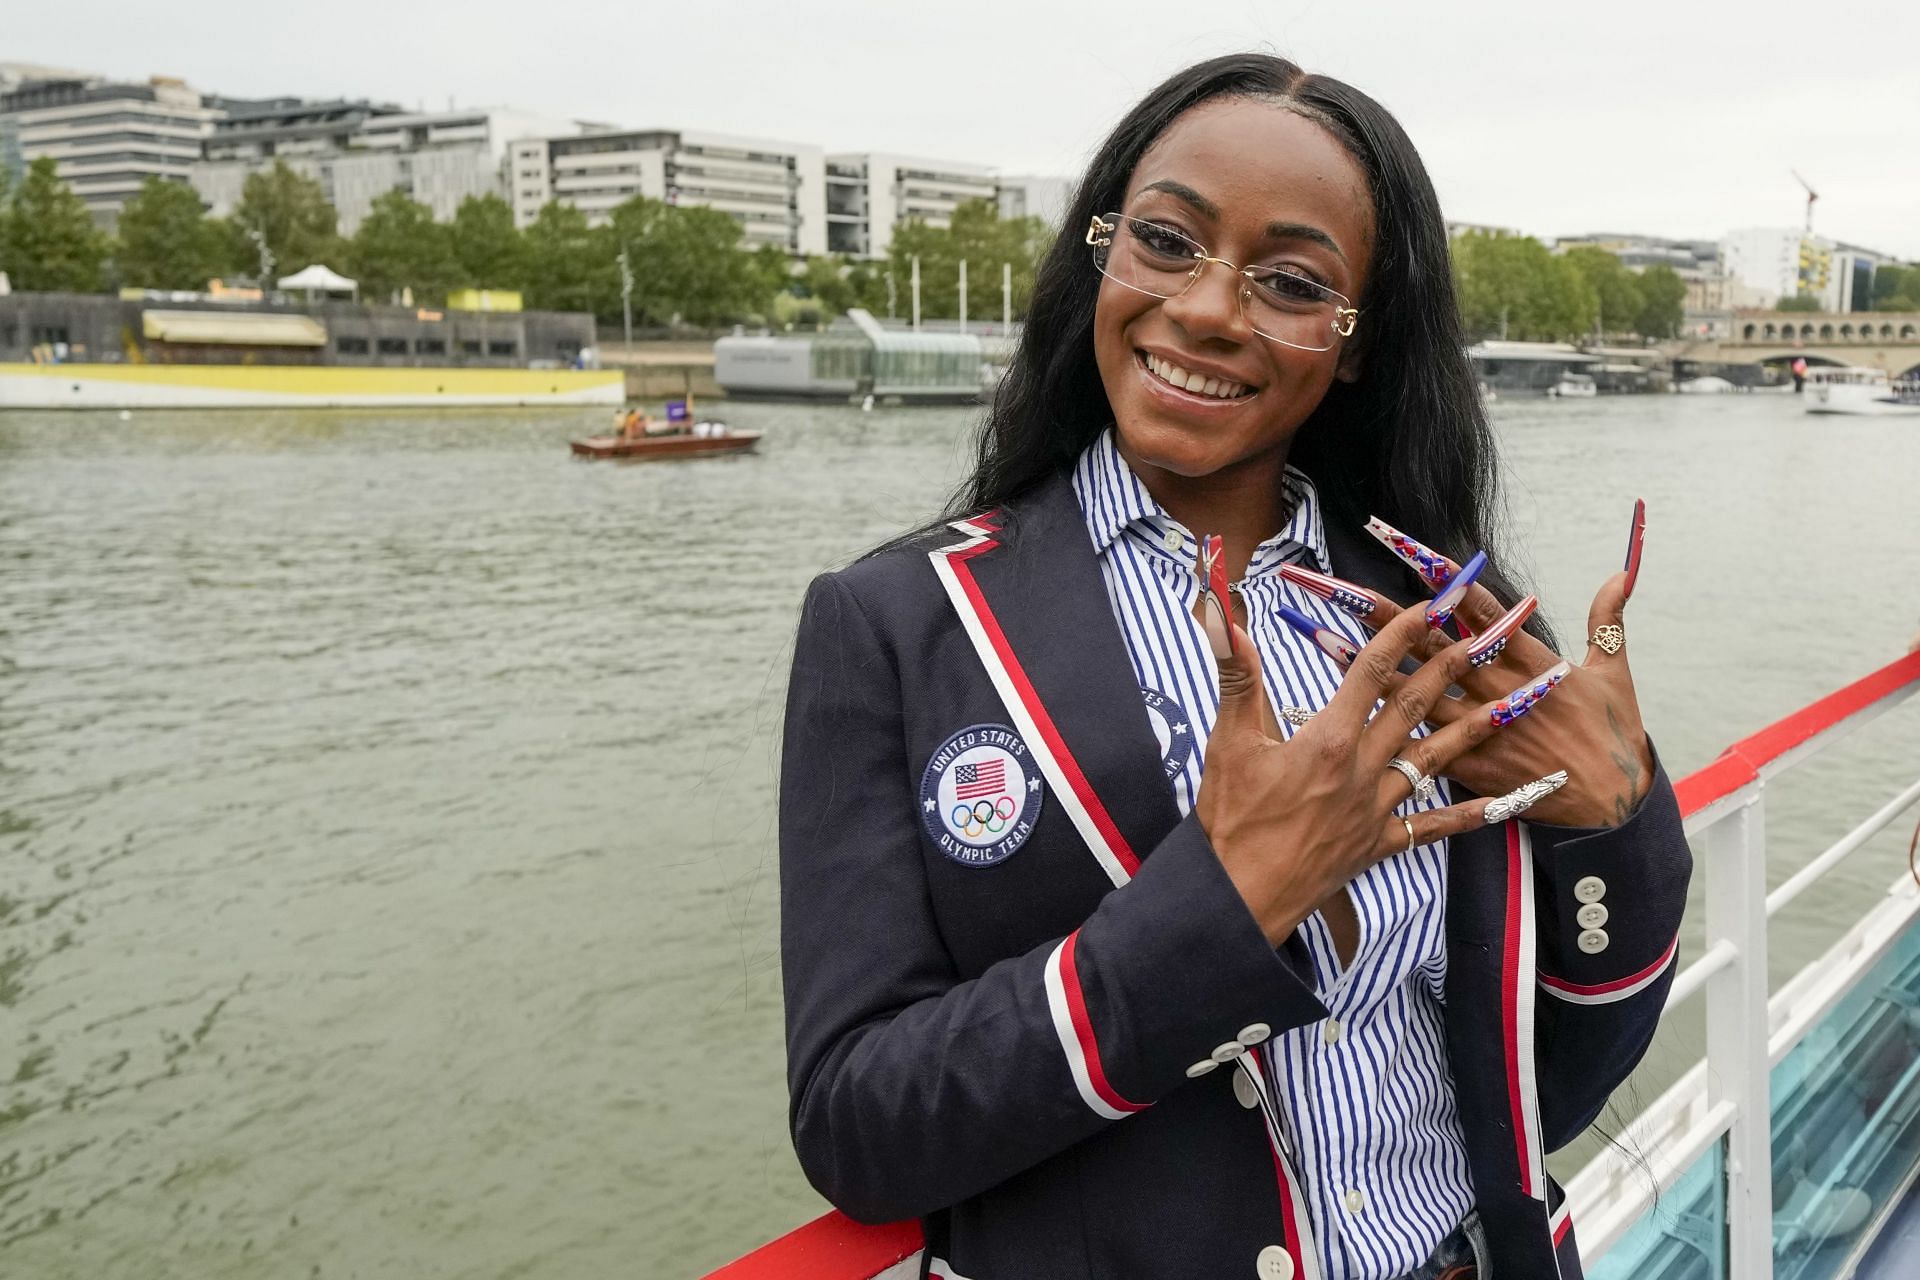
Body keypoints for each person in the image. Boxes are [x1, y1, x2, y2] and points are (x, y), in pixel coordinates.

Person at [780, 53, 1690, 1280]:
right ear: (1101, 255)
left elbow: (1545, 1081)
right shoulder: (900, 620)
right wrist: (1225, 904)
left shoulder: (1437, 612)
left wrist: (1614, 826)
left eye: (1294, 282)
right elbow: (856, 1122)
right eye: (1165, 239)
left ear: (1356, 345)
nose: (1209, 308)